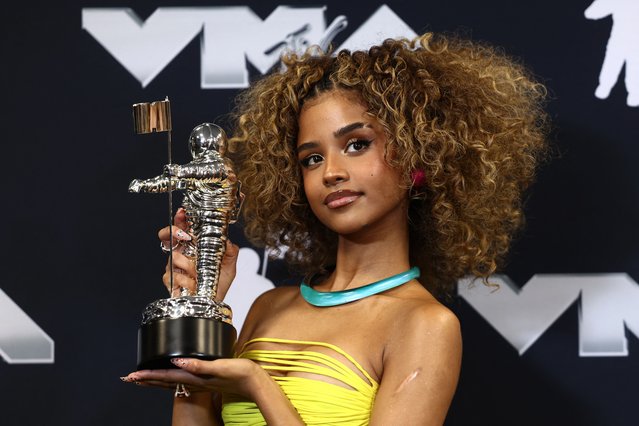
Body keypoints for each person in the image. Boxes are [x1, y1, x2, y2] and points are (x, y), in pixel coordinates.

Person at [122, 32, 548, 425]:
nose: (331, 173)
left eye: (357, 144)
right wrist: (202, 316)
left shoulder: (425, 325)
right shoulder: (269, 307)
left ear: (419, 159)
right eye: (312, 158)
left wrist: (257, 384)